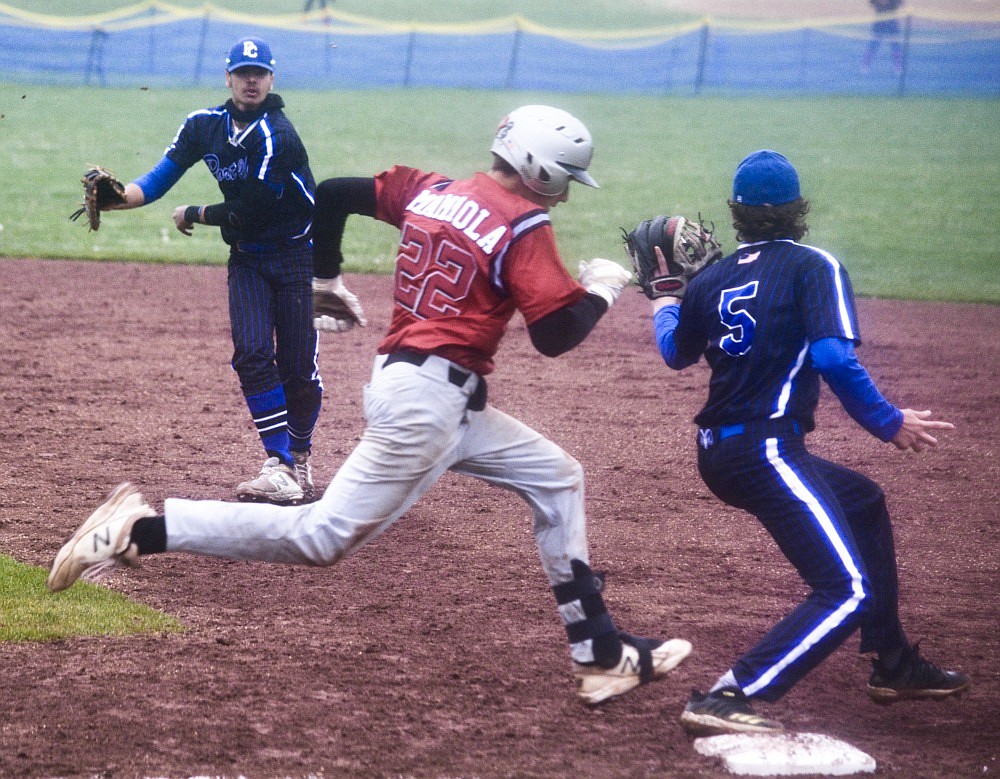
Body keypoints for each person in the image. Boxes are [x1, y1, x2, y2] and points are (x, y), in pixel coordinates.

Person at [48, 105, 692, 706]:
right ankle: (142, 531)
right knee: (321, 536)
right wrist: (607, 288)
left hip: (436, 396)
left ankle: (599, 652)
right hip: (427, 407)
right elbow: (555, 336)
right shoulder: (523, 223)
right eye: (566, 177)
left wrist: (325, 275)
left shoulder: (433, 190)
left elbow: (330, 195)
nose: (568, 190)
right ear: (541, 168)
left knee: (559, 478)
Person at [643, 149, 969, 735]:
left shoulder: (711, 279)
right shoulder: (813, 265)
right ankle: (728, 694)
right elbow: (833, 357)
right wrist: (888, 421)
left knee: (863, 501)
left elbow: (674, 353)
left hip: (724, 452)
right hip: (765, 452)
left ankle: (893, 663)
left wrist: (666, 299)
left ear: (736, 213)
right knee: (846, 590)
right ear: (797, 209)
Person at [105, 36, 365, 505]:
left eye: (259, 73)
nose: (251, 80)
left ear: (271, 79)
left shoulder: (277, 136)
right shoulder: (203, 125)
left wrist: (195, 213)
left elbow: (253, 209)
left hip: (294, 258)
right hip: (247, 258)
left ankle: (299, 457)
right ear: (228, 77)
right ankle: (281, 463)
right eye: (243, 72)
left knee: (298, 371)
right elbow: (163, 175)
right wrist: (122, 198)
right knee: (249, 354)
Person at [862, 0, 905, 75]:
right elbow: (872, 3)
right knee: (873, 45)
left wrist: (891, 4)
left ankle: (898, 66)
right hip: (880, 20)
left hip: (892, 19)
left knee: (895, 45)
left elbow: (900, 3)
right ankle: (866, 65)